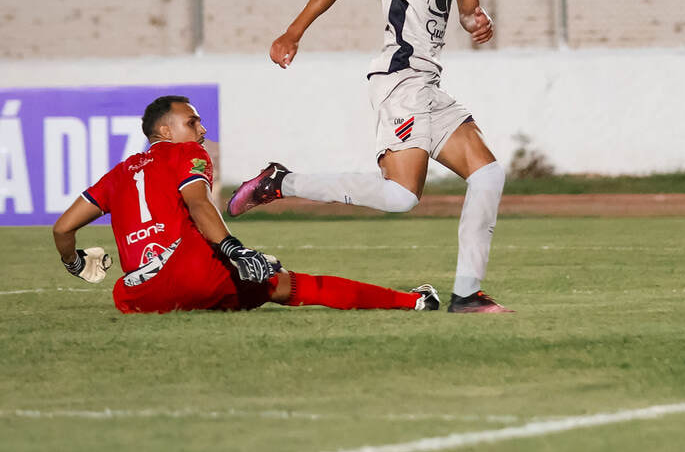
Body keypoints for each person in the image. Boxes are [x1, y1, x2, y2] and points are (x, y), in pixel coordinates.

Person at [228, 0, 511, 314]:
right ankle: (282, 183)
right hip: (400, 80)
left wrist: (476, 21)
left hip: (428, 83)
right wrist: (292, 32)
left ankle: (467, 294)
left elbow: (467, 6)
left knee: (487, 175)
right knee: (401, 198)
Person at [52, 95, 440, 314]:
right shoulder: (184, 152)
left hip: (137, 295)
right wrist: (233, 249)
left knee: (161, 288)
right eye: (192, 122)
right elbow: (199, 203)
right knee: (292, 285)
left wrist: (74, 262)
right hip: (190, 274)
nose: (201, 130)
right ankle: (415, 301)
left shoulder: (118, 173)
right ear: (166, 131)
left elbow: (62, 228)